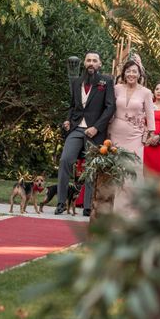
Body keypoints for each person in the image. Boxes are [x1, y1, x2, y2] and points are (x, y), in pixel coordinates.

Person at [55, 51, 116, 216]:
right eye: (88, 60)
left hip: (94, 132)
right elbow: (73, 106)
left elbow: (110, 107)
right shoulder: (76, 82)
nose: (91, 63)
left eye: (94, 60)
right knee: (65, 160)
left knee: (91, 167)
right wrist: (68, 120)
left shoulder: (107, 82)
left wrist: (96, 127)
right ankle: (61, 202)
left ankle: (88, 206)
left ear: (99, 64)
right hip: (76, 129)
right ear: (84, 63)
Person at [107, 59, 156, 215]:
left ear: (139, 74)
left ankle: (133, 214)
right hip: (115, 135)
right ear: (124, 73)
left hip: (135, 137)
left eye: (134, 71)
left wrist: (149, 134)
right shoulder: (116, 89)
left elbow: (150, 116)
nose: (131, 74)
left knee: (133, 174)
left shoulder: (146, 92)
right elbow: (108, 109)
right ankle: (116, 213)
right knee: (117, 174)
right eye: (128, 71)